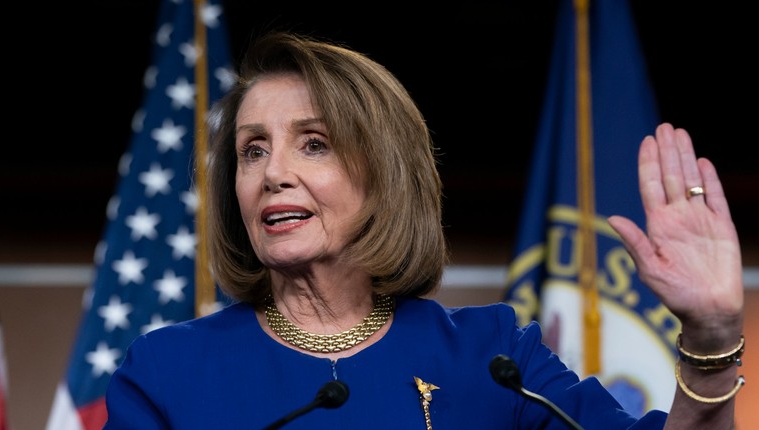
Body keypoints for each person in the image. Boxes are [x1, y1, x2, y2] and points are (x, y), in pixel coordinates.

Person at [103, 31, 745, 429]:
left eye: (314, 144)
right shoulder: (166, 372)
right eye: (251, 150)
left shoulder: (495, 358)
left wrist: (713, 338)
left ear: (384, 178)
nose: (274, 173)